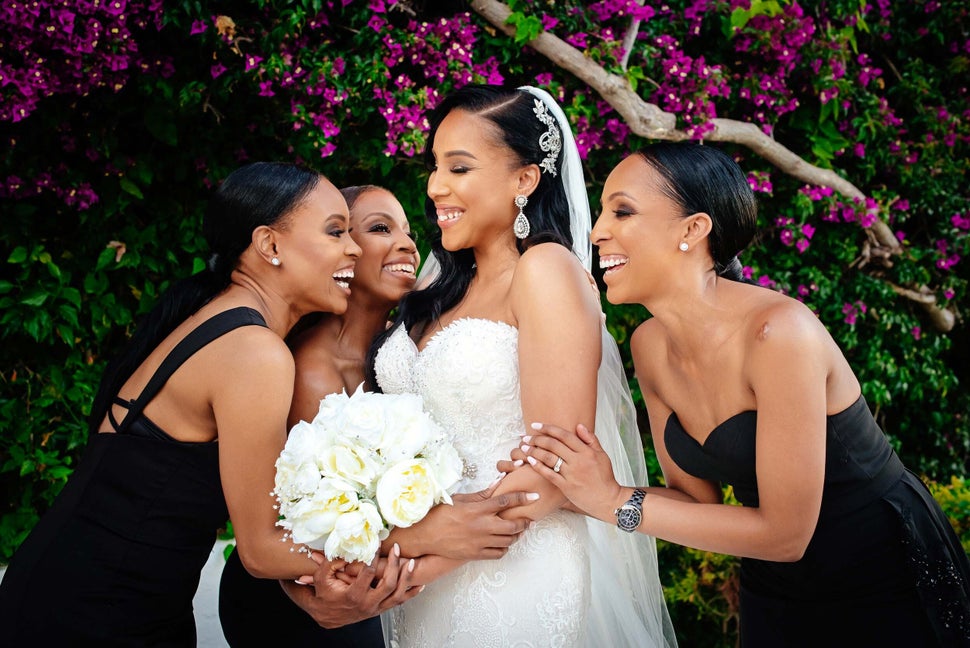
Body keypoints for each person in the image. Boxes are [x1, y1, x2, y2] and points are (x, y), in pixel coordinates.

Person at [520, 142, 970, 647]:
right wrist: (575, 490)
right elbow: (693, 500)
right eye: (602, 212)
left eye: (622, 211)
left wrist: (614, 501)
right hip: (775, 587)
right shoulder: (648, 346)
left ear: (693, 230)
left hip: (883, 576)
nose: (597, 231)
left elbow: (785, 534)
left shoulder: (780, 333)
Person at [0, 163, 422, 644]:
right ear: (270, 245)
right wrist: (429, 541)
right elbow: (261, 549)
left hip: (112, 596)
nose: (352, 249)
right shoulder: (253, 350)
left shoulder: (230, 323)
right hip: (89, 611)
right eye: (335, 232)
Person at [366, 85, 677, 647]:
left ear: (525, 180)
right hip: (432, 563)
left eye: (459, 168)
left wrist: (414, 566)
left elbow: (559, 464)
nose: (436, 187)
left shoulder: (546, 271)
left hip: (514, 572)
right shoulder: (436, 286)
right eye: (435, 167)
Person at [218, 185, 533, 646]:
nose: (407, 243)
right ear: (344, 249)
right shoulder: (312, 371)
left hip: (376, 587)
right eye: (381, 228)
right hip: (297, 604)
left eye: (408, 231)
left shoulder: (406, 353)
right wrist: (428, 536)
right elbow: (300, 522)